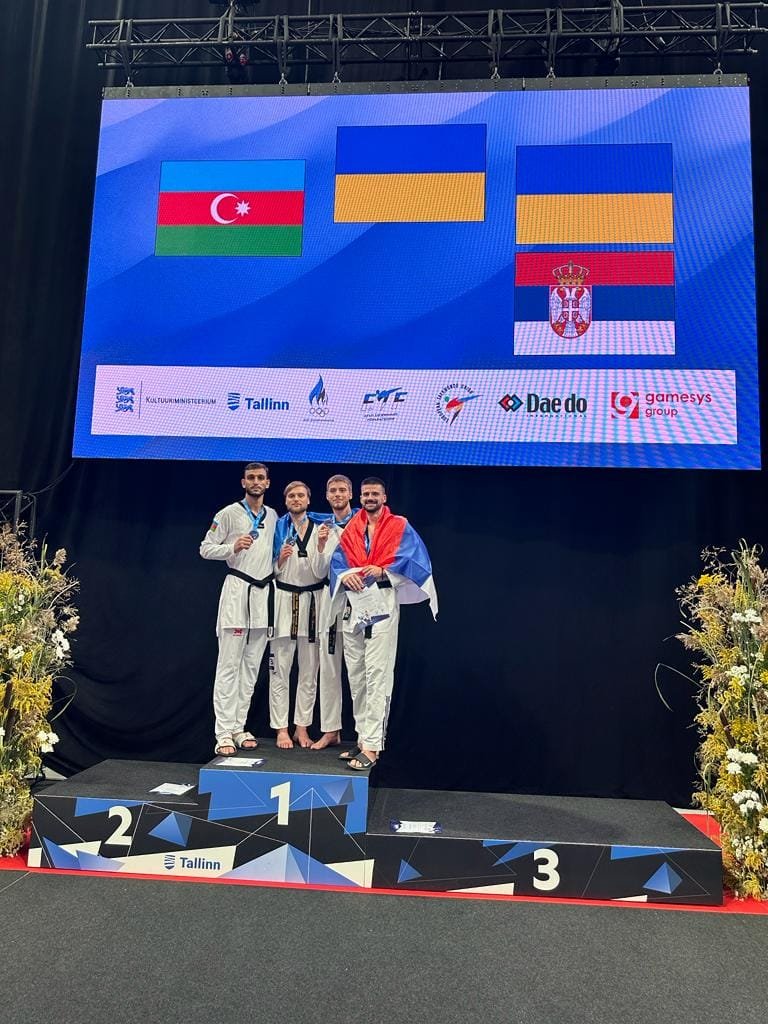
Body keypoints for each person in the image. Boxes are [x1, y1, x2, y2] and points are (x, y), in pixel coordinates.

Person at [328, 477, 437, 771]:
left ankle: (373, 745)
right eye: (365, 494)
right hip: (355, 604)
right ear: (360, 497)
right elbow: (337, 564)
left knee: (377, 674)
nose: (369, 498)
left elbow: (416, 563)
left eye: (375, 493)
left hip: (383, 603)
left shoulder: (400, 526)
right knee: (357, 675)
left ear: (384, 497)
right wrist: (346, 576)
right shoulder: (353, 527)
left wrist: (384, 571)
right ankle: (362, 737)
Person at [199, 462, 277, 757]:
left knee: (251, 667)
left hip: (262, 595)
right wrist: (231, 547)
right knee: (229, 666)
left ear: (268, 483)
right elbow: (205, 548)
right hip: (236, 591)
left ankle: (238, 727)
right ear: (243, 482)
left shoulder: (273, 516)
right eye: (251, 478)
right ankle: (222, 733)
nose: (256, 482)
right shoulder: (228, 513)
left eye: (261, 478)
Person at [270, 481, 327, 749]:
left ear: (308, 499)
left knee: (309, 671)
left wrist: (321, 546)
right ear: (285, 500)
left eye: (301, 495)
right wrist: (280, 560)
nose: (296, 499)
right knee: (279, 670)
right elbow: (267, 569)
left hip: (313, 601)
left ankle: (301, 727)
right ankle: (281, 729)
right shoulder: (277, 528)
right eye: (291, 495)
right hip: (284, 600)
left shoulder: (322, 528)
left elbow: (322, 572)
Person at [308, 474, 359, 751]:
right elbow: (318, 572)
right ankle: (330, 730)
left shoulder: (363, 522)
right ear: (327, 496)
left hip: (358, 598)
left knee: (358, 668)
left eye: (342, 490)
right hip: (331, 598)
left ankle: (365, 734)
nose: (337, 494)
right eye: (333, 491)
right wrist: (319, 545)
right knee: (328, 667)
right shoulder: (322, 527)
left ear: (350, 494)